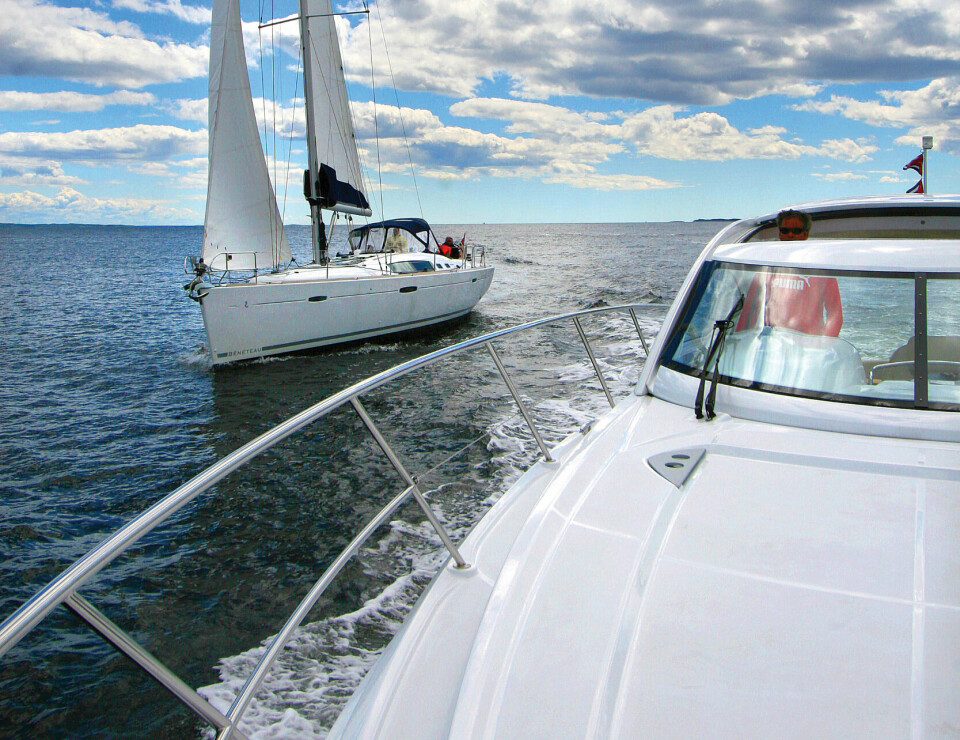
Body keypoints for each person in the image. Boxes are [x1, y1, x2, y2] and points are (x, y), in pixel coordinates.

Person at [736, 209, 843, 336]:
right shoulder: (768, 265)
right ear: (780, 233)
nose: (790, 234)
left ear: (806, 234)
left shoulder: (819, 267)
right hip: (774, 342)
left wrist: (823, 345)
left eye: (796, 231)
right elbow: (751, 308)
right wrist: (739, 340)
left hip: (808, 345)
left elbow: (835, 314)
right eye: (785, 230)